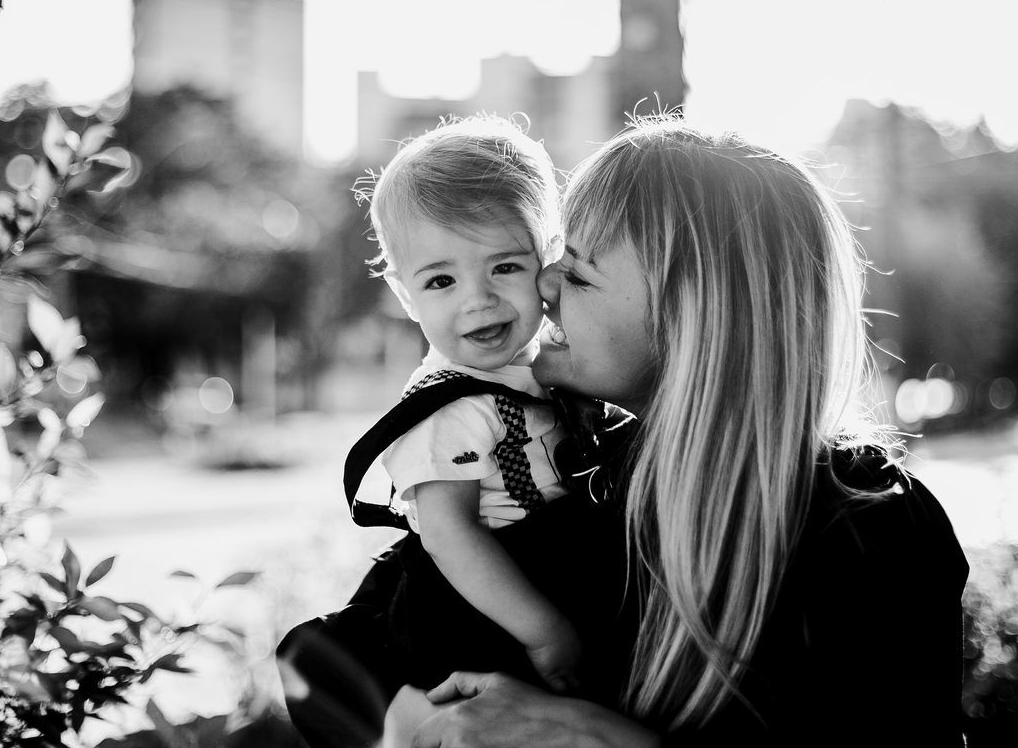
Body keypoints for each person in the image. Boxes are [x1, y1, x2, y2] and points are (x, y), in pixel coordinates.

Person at [385, 118, 970, 746]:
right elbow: (345, 652)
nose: (542, 286)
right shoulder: (599, 477)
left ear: (689, 322)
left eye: (576, 274)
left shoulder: (865, 528)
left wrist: (586, 737)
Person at [278, 117, 641, 748]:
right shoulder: (446, 404)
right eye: (441, 281)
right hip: (477, 599)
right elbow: (450, 532)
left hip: (546, 568)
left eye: (504, 266)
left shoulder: (549, 368)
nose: (478, 299)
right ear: (403, 291)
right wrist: (543, 629)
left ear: (548, 262)